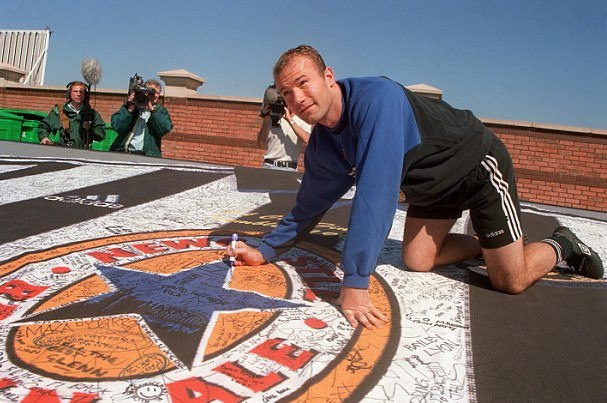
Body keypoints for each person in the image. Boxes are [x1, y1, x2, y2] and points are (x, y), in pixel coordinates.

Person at [227, 45, 604, 330]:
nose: (296, 97)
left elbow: (376, 195)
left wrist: (356, 282)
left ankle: (562, 244)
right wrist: (267, 249)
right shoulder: (325, 142)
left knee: (510, 280)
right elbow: (309, 204)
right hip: (432, 188)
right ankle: (487, 247)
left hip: (476, 168)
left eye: (302, 83)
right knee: (417, 260)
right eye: (286, 92)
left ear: (328, 76)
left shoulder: (378, 100)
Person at [110, 79, 173, 157]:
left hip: (147, 156)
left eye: (157, 93)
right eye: (152, 92)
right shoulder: (131, 108)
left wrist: (152, 110)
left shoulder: (160, 111)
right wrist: (129, 109)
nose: (155, 95)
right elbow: (117, 126)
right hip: (124, 153)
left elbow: (164, 128)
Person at [257, 84, 311, 171]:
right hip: (269, 166)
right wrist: (266, 120)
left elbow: (307, 139)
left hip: (290, 167)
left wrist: (290, 120)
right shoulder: (272, 117)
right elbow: (261, 144)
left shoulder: (301, 118)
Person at [38, 81, 106, 148]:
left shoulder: (92, 114)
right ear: (69, 94)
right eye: (75, 91)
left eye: (81, 92)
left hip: (84, 152)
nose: (78, 94)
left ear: (85, 95)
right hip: (62, 151)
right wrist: (43, 137)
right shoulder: (59, 111)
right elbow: (43, 125)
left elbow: (101, 135)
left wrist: (90, 129)